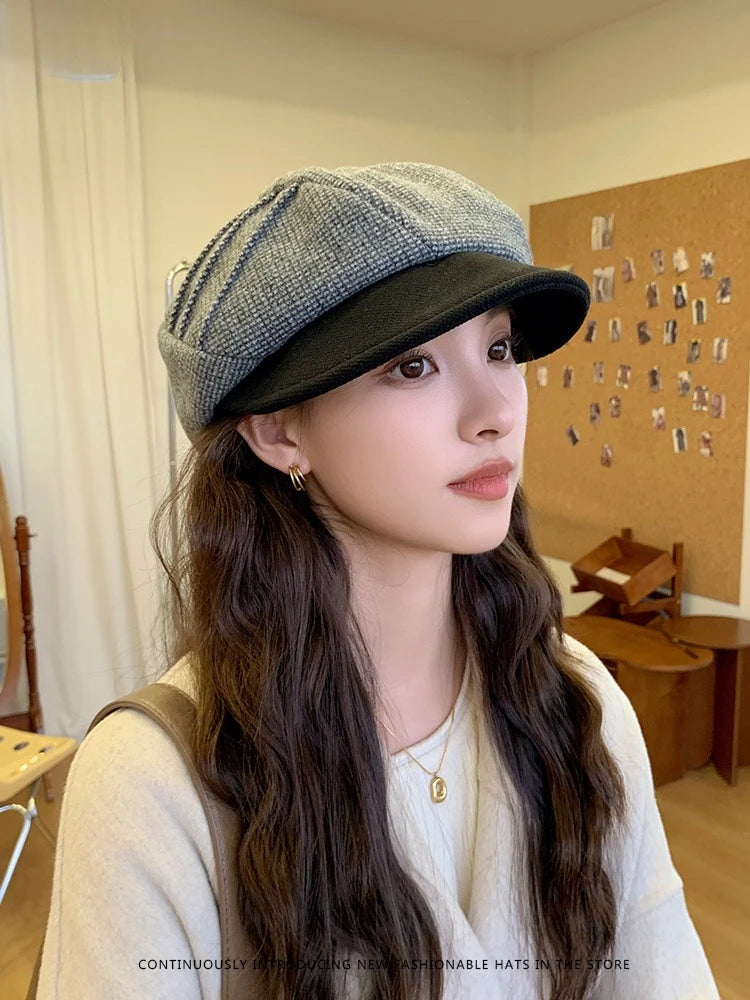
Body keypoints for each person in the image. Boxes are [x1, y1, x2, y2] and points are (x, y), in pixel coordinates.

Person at [35, 162, 719, 1000]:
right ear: (278, 430)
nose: (496, 412)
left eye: (499, 349)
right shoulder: (155, 786)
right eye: (412, 366)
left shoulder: (575, 702)